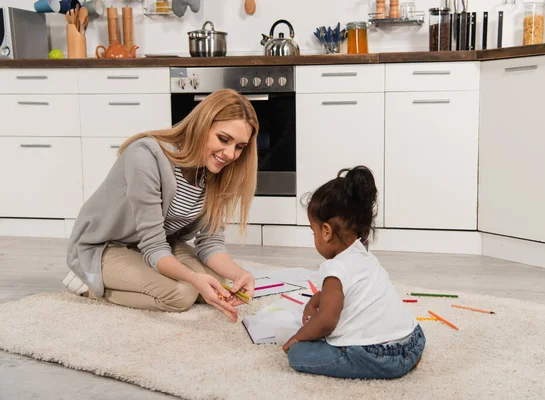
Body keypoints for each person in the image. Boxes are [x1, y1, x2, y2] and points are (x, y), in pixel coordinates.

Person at [62, 89, 258, 322]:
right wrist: (193, 279)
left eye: (239, 147)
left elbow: (210, 241)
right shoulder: (146, 155)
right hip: (105, 247)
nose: (230, 154)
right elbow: (154, 246)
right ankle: (89, 285)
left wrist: (242, 274)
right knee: (182, 294)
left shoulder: (215, 172)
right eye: (223, 139)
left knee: (219, 286)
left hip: (156, 244)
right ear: (202, 125)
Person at [282, 166, 426, 379]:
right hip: (413, 342)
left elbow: (327, 322)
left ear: (326, 231)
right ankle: (404, 362)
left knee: (298, 355)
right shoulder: (364, 255)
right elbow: (352, 289)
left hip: (375, 356)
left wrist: (299, 337)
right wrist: (318, 298)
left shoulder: (334, 269)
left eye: (313, 231)